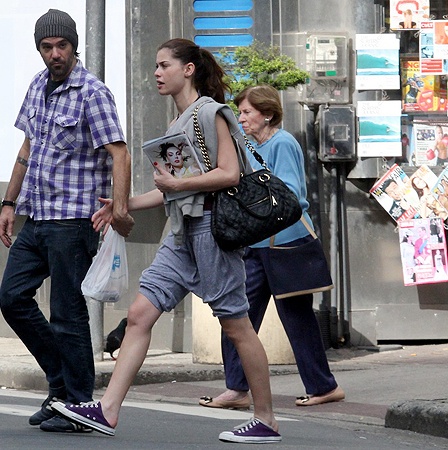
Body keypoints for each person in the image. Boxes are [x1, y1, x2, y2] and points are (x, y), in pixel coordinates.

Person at [53, 38, 282, 444]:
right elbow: (172, 191)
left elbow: (229, 173)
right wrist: (121, 204)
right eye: (156, 66)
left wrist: (178, 182)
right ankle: (107, 410)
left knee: (236, 326)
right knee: (140, 314)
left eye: (164, 65)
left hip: (212, 231)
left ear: (188, 69)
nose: (157, 73)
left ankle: (265, 419)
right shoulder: (176, 125)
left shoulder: (210, 113)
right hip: (180, 234)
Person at [0, 9, 134, 433]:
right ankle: (61, 388)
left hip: (74, 220)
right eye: (47, 47)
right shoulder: (38, 85)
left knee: (67, 313)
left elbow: (119, 153)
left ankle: (77, 404)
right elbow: (27, 147)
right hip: (37, 215)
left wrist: (120, 208)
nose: (55, 54)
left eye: (62, 46)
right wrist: (8, 202)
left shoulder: (92, 93)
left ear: (75, 46)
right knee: (13, 298)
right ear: (39, 49)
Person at [194, 84, 343, 411]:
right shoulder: (246, 145)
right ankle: (236, 389)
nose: (242, 118)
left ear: (268, 114)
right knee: (236, 317)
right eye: (240, 112)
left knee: (297, 318)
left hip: (287, 243)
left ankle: (322, 386)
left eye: (247, 112)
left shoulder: (283, 142)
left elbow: (292, 197)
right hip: (256, 244)